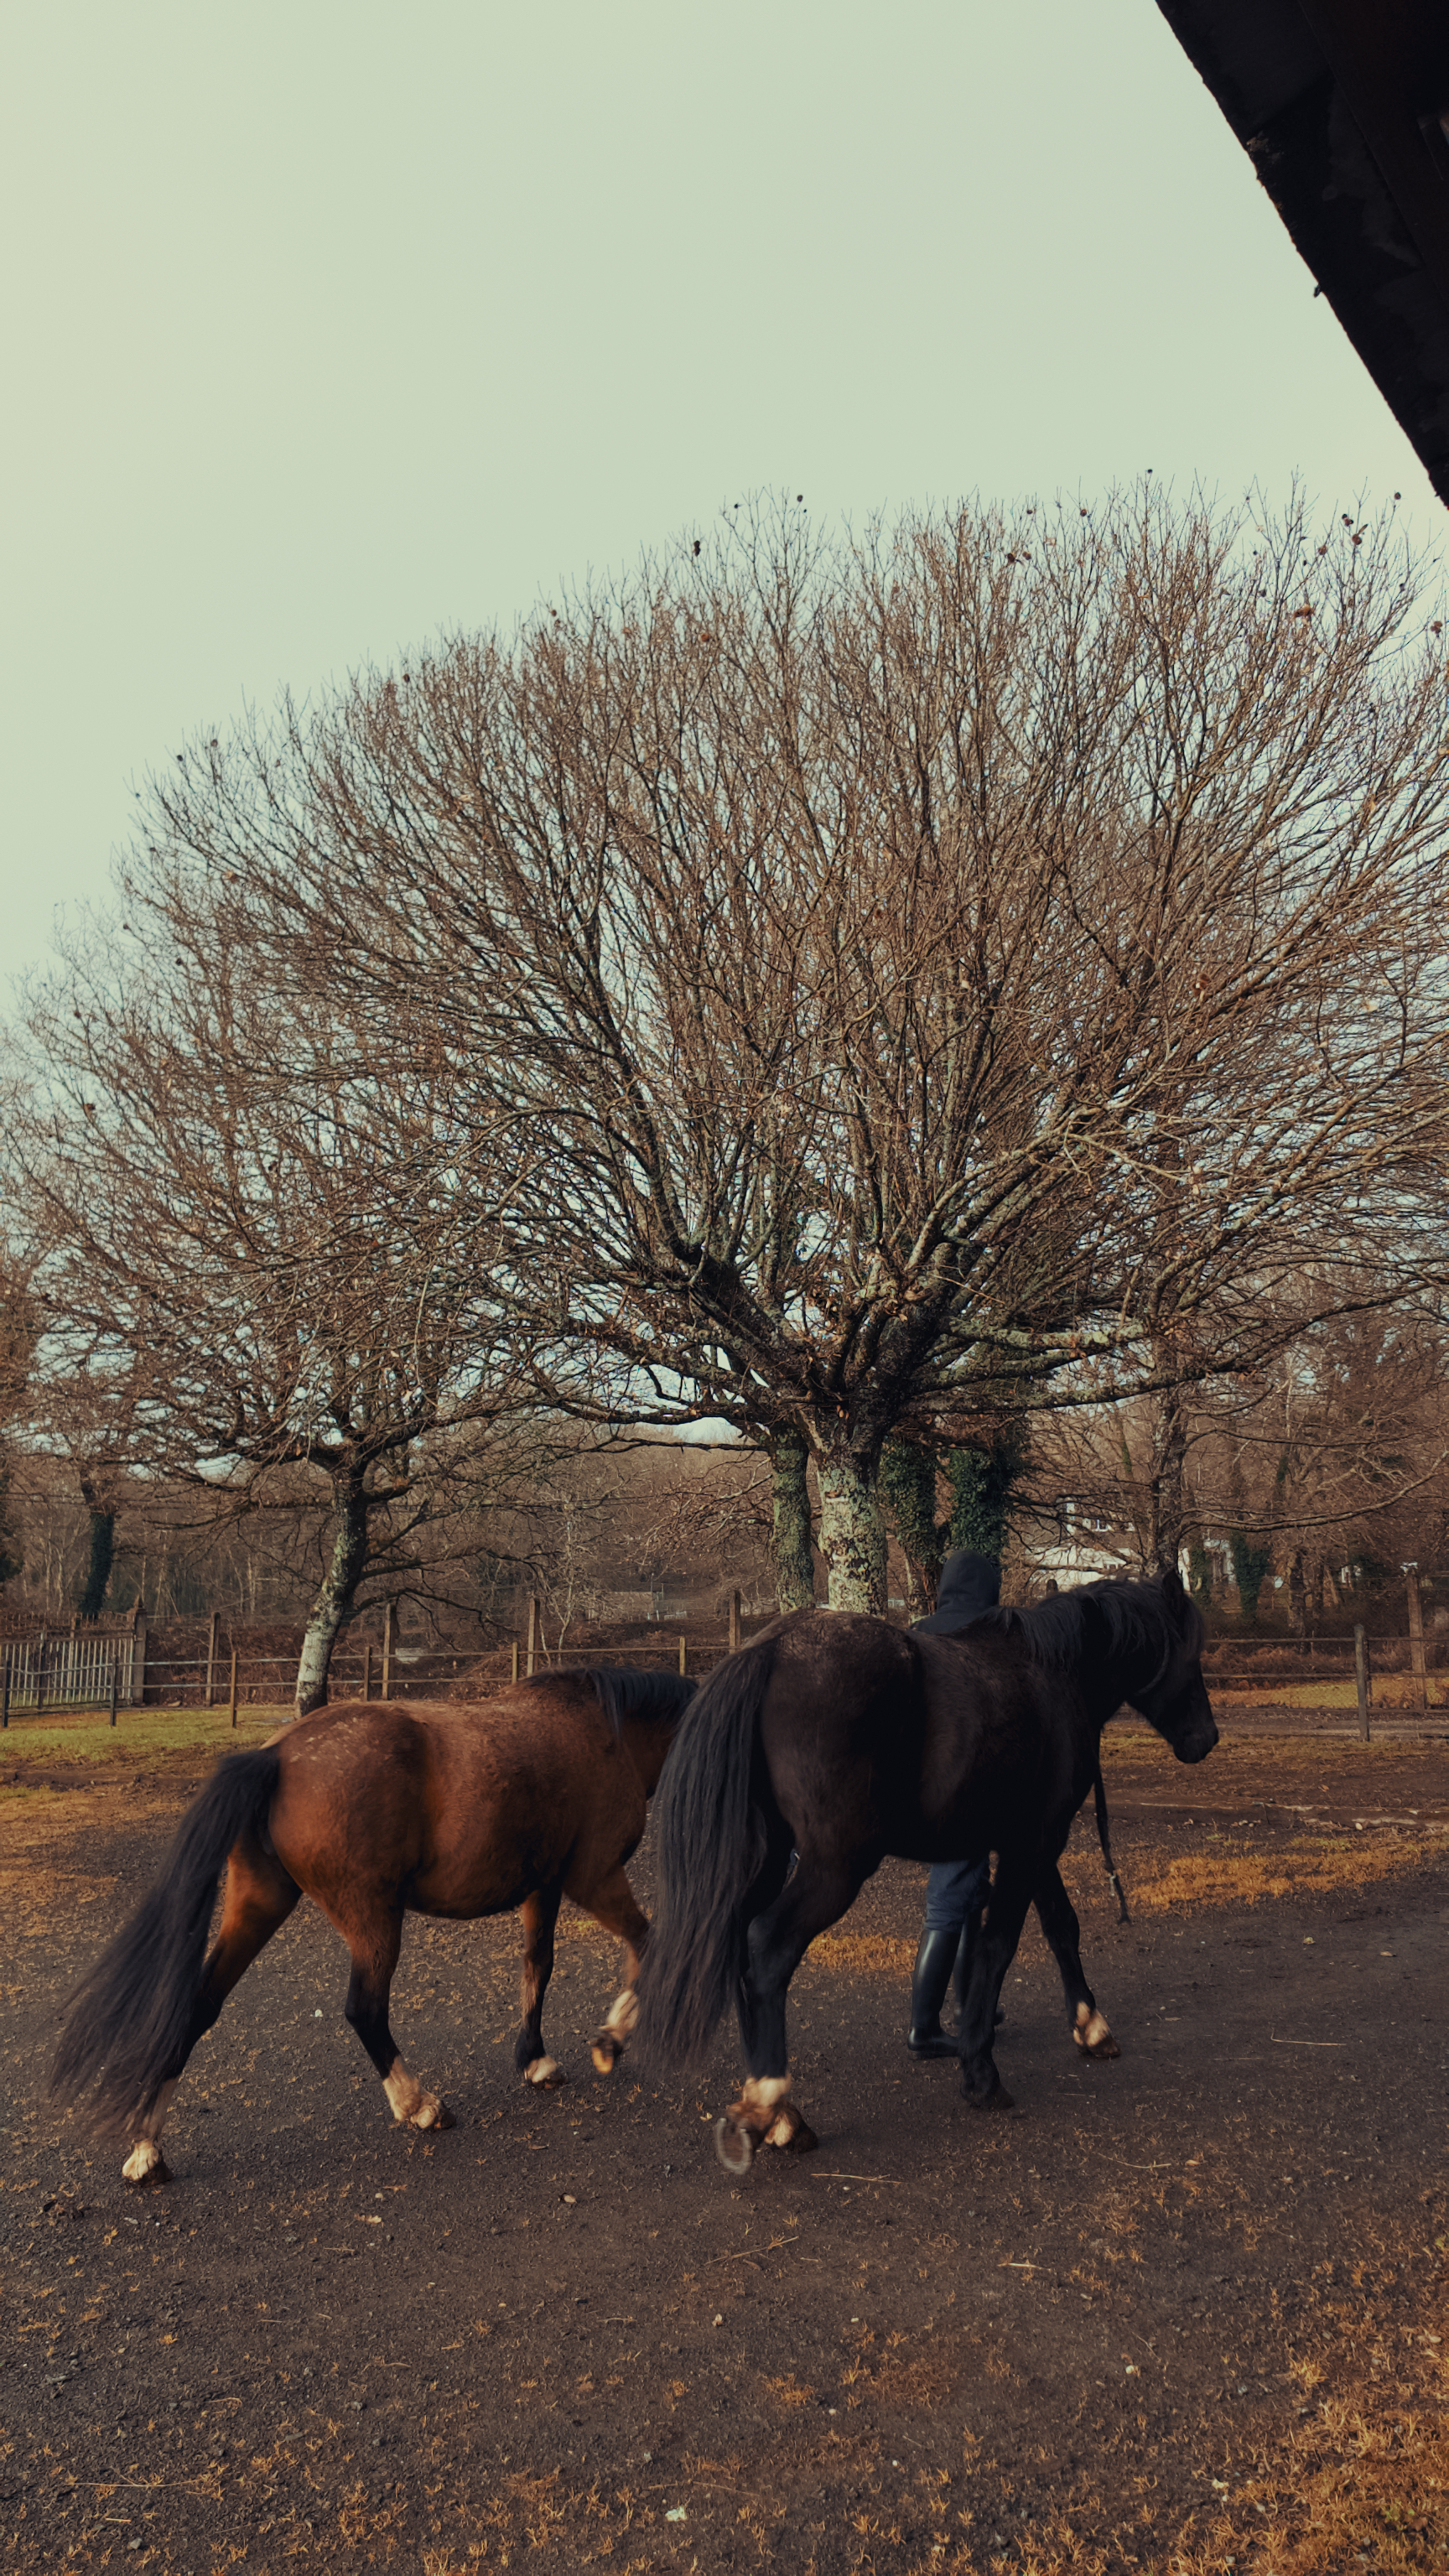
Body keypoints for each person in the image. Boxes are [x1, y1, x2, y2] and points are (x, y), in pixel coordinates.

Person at [906, 1548, 1004, 2058]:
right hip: (967, 1780)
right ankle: (924, 2028)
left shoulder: (918, 1631)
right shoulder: (992, 1636)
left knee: (970, 1893)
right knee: (950, 1899)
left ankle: (971, 2004)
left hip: (923, 1779)